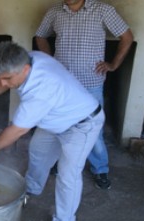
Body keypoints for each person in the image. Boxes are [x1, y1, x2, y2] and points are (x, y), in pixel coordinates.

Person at [0, 41, 104, 221]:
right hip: (55, 117)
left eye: (7, 78)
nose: (3, 83)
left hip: (82, 124)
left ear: (25, 69)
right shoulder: (30, 58)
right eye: (0, 78)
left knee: (68, 176)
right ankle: (31, 189)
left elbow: (17, 130)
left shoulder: (41, 89)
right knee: (38, 152)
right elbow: (3, 77)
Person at [35, 0, 134, 189]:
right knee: (61, 125)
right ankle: (60, 163)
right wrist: (50, 62)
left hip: (91, 84)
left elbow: (127, 37)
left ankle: (100, 168)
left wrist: (113, 64)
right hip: (63, 84)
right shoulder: (55, 12)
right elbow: (40, 36)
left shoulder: (103, 10)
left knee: (92, 130)